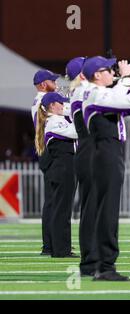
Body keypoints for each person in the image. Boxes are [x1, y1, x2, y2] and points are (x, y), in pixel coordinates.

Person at [82, 56, 130, 281]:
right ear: (97, 75)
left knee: (106, 210)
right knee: (108, 210)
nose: (113, 73)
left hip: (106, 152)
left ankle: (103, 264)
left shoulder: (103, 94)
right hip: (105, 152)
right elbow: (128, 103)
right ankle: (106, 267)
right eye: (108, 70)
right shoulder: (95, 93)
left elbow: (127, 108)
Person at [35, 92, 78, 257]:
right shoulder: (54, 122)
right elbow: (76, 131)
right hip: (63, 169)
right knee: (63, 211)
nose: (63, 105)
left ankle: (56, 246)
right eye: (60, 103)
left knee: (59, 209)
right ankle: (61, 249)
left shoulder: (54, 120)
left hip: (61, 168)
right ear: (52, 105)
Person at [66, 57, 99, 276]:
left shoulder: (80, 92)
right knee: (91, 210)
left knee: (92, 209)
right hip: (89, 154)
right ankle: (90, 260)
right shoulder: (83, 93)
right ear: (81, 75)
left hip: (86, 154)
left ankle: (91, 258)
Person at [32, 70, 59, 256]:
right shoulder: (43, 101)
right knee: (53, 202)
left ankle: (53, 242)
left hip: (46, 151)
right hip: (50, 152)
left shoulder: (41, 100)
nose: (56, 84)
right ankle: (50, 244)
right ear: (43, 84)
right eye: (52, 81)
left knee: (53, 201)